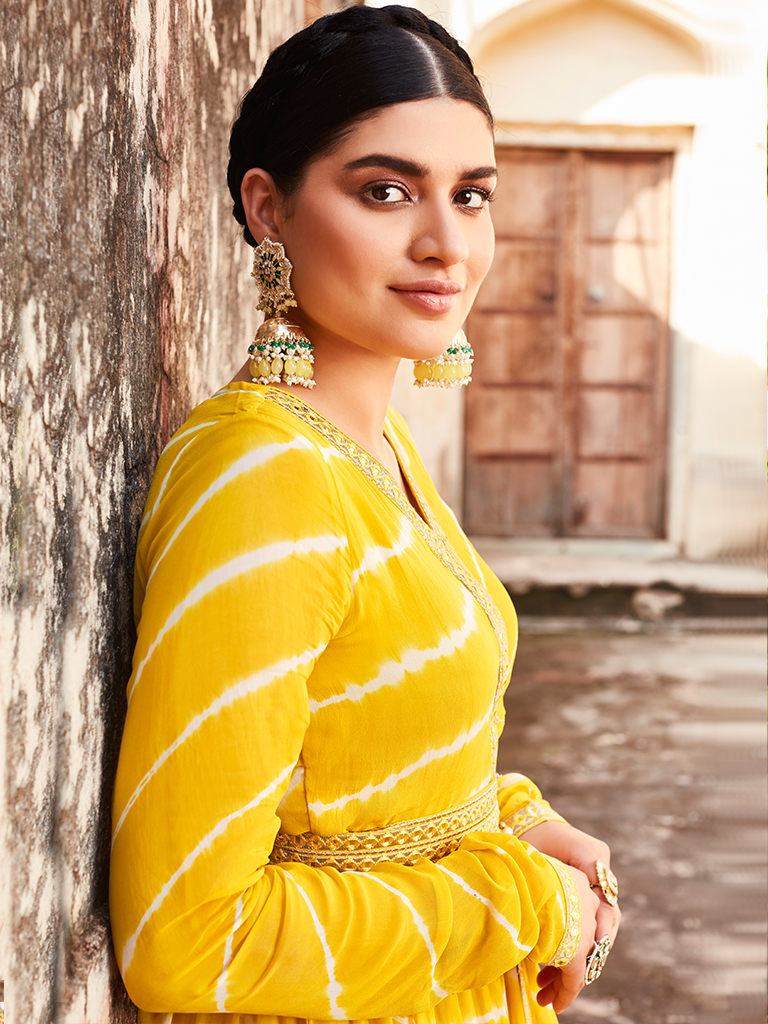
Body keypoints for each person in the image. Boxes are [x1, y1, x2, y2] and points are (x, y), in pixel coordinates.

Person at [109, 6, 621, 1023]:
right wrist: (528, 902)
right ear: (268, 208)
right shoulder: (264, 474)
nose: (446, 244)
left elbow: (359, 757)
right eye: (385, 191)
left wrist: (513, 814)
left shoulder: (375, 450)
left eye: (471, 196)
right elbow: (186, 940)